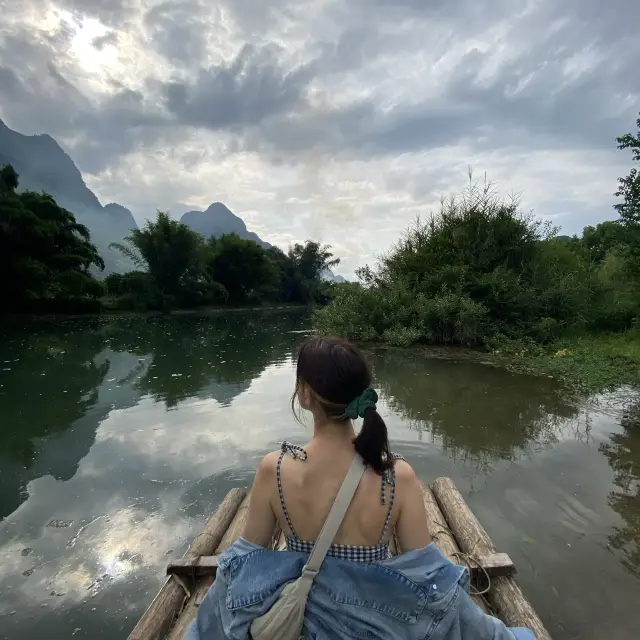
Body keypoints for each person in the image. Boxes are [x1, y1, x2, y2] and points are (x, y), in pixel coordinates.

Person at [187, 337, 535, 639]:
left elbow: (246, 563)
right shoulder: (397, 475)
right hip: (377, 621)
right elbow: (427, 576)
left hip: (300, 619)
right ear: (361, 397)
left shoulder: (275, 469)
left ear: (305, 395)